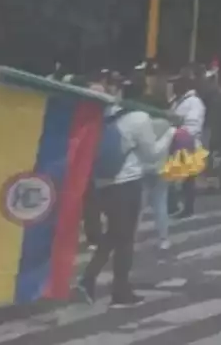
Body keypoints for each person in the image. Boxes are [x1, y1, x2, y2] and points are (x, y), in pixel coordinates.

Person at [79, 97, 175, 306]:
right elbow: (152, 155)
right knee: (124, 239)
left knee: (114, 234)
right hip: (127, 183)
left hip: (103, 183)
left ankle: (89, 279)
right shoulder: (139, 118)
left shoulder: (107, 114)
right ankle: (118, 290)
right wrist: (170, 133)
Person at [169, 77, 205, 218]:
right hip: (179, 141)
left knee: (184, 178)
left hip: (187, 143)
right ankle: (181, 206)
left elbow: (193, 125)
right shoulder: (180, 101)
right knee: (184, 178)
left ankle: (184, 207)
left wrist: (178, 132)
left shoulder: (193, 102)